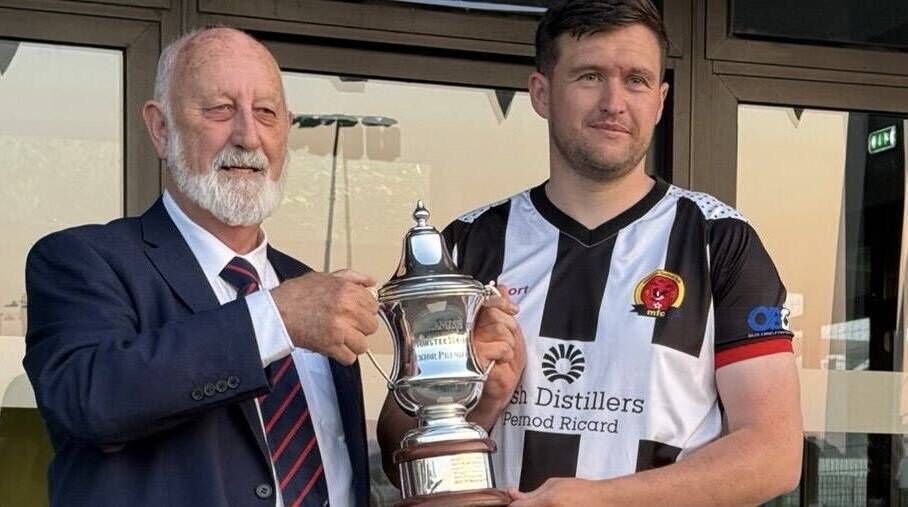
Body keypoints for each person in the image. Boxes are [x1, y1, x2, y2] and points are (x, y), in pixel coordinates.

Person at [377, 0, 803, 505]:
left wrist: (603, 499)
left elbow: (773, 454)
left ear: (660, 101)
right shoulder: (465, 246)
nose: (613, 102)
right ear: (541, 93)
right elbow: (398, 454)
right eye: (590, 77)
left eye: (636, 80)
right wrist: (483, 400)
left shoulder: (720, 239)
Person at [23, 27, 378, 507]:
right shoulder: (82, 260)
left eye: (266, 113)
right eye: (220, 109)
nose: (248, 136)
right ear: (160, 128)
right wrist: (275, 319)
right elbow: (89, 401)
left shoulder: (310, 293)